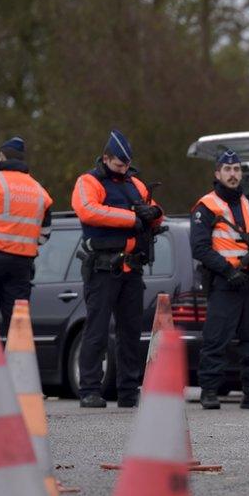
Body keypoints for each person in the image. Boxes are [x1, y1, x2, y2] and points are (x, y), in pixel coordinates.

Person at [72, 130, 164, 409]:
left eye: (126, 165)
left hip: (132, 269)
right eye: (119, 164)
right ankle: (89, 388)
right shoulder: (88, 182)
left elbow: (156, 211)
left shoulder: (135, 183)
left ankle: (128, 390)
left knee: (131, 332)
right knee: (97, 330)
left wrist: (154, 214)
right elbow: (89, 211)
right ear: (106, 158)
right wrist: (134, 218)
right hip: (102, 268)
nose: (123, 169)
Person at [191, 150, 249, 411]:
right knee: (215, 339)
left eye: (237, 170)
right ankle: (209, 391)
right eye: (228, 170)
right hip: (224, 284)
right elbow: (200, 248)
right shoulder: (205, 206)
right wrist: (228, 271)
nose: (233, 175)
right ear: (217, 173)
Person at [0, 137, 53, 333]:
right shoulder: (40, 191)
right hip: (22, 265)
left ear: (2, 157)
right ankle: (18, 363)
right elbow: (45, 234)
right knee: (17, 323)